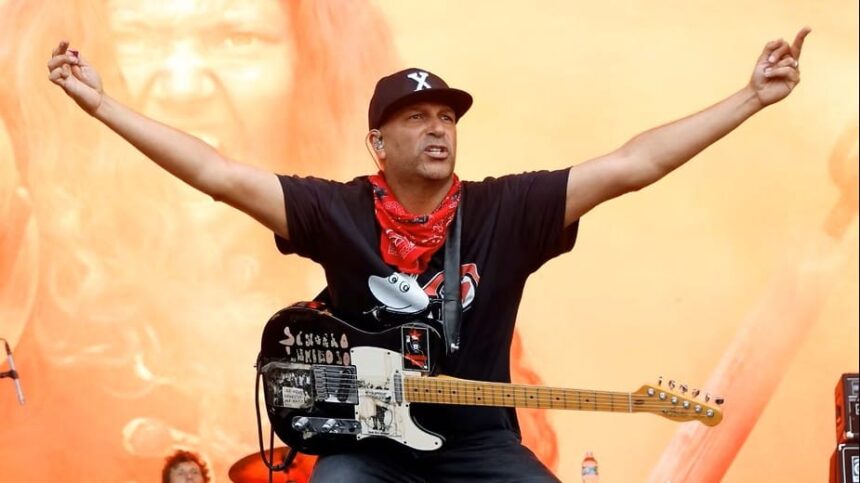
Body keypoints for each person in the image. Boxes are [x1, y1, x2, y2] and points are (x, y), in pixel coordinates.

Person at [47, 23, 810, 480]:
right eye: (417, 117)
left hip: (479, 442)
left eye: (446, 115)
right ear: (378, 142)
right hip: (365, 446)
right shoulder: (335, 208)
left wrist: (750, 96)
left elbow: (631, 164)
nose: (438, 128)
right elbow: (216, 173)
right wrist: (102, 102)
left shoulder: (507, 210)